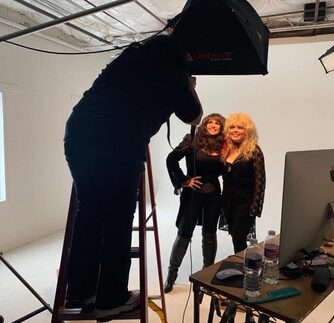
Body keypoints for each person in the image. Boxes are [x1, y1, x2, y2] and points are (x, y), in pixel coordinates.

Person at [63, 34, 202, 321]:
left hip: (78, 132)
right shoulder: (174, 75)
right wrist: (190, 85)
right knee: (116, 219)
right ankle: (111, 298)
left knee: (89, 210)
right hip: (118, 142)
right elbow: (194, 116)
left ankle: (80, 290)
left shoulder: (130, 57)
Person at [164, 113, 225, 293]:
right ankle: (171, 274)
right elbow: (171, 159)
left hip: (214, 194)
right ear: (204, 124)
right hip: (193, 194)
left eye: (217, 123)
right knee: (184, 234)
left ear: (222, 127)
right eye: (210, 122)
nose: (213, 125)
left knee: (209, 235)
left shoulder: (223, 145)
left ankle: (207, 276)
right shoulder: (192, 140)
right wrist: (184, 181)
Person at [221, 113, 266, 254]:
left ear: (247, 130)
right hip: (228, 201)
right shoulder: (225, 149)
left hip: (246, 203)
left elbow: (261, 181)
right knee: (235, 237)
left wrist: (255, 208)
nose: (235, 130)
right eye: (232, 127)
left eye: (239, 127)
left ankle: (244, 266)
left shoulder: (254, 151)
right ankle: (243, 263)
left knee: (239, 237)